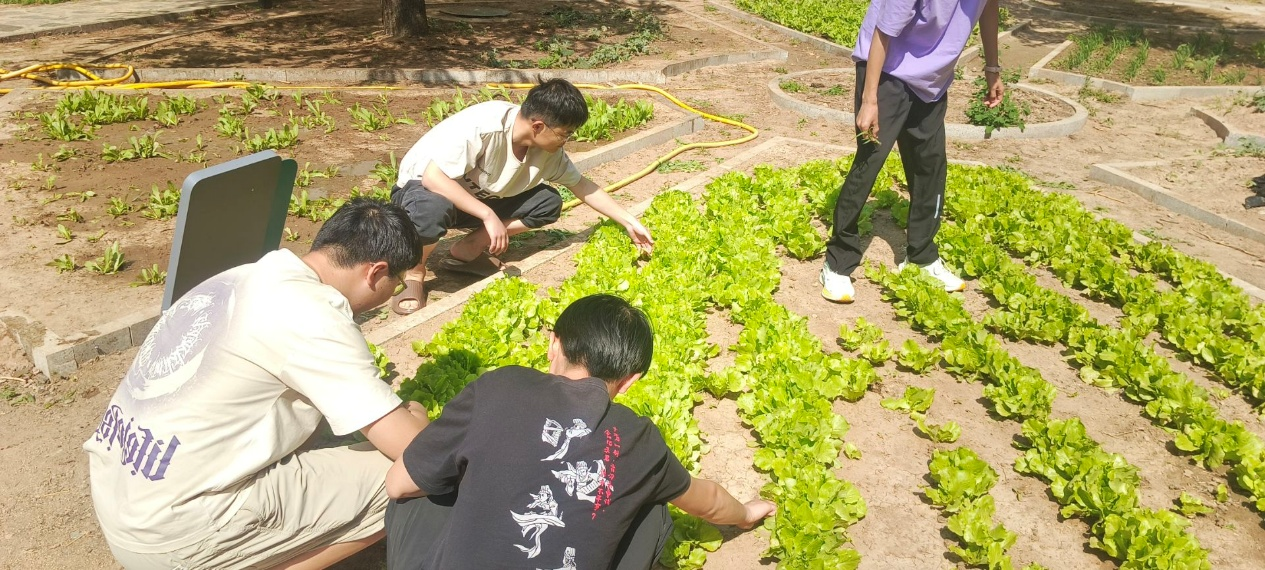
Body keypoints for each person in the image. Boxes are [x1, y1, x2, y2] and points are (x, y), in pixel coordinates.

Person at [83, 198, 431, 569]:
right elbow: (416, 451)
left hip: (122, 504)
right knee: (410, 477)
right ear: (375, 273)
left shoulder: (240, 277)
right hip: (170, 537)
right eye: (396, 284)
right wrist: (418, 416)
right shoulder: (313, 314)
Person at [382, 294, 776, 569]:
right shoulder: (639, 439)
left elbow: (398, 485)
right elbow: (707, 501)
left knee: (425, 479)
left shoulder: (501, 385)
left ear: (553, 344)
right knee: (654, 508)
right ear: (630, 381)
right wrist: (745, 514)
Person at [388, 78, 653, 315]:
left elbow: (582, 185)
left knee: (548, 202)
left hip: (476, 199)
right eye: (565, 134)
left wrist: (629, 221)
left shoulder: (546, 152)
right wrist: (487, 215)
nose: (566, 141)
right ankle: (415, 271)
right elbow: (433, 178)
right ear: (538, 126)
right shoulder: (484, 126)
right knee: (432, 209)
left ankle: (468, 249)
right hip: (421, 193)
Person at [820, 0, 1004, 303]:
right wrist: (870, 100)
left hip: (931, 79)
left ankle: (921, 257)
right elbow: (884, 30)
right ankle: (838, 262)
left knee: (930, 165)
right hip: (885, 67)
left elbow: (989, 7)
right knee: (871, 159)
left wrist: (993, 69)